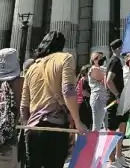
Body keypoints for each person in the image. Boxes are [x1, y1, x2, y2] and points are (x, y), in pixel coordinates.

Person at [20, 32, 84, 168]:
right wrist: (77, 121)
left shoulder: (31, 68)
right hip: (56, 129)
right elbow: (68, 91)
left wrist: (26, 128)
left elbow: (24, 105)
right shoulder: (65, 58)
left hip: (32, 129)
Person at [103, 39, 128, 167]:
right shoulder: (114, 61)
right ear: (118, 48)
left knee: (122, 124)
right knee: (112, 129)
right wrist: (117, 94)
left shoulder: (113, 61)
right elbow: (108, 81)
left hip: (118, 99)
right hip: (114, 100)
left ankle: (118, 156)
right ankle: (111, 160)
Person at [86, 53, 107, 132]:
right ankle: (93, 143)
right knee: (97, 125)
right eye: (100, 58)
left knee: (106, 124)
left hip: (102, 96)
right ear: (94, 60)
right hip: (98, 97)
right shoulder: (94, 69)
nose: (103, 60)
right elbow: (106, 79)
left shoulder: (100, 68)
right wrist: (105, 76)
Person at [75, 66, 92, 131]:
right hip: (84, 107)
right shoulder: (82, 81)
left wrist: (89, 95)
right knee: (85, 126)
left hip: (91, 106)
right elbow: (78, 94)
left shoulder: (94, 81)